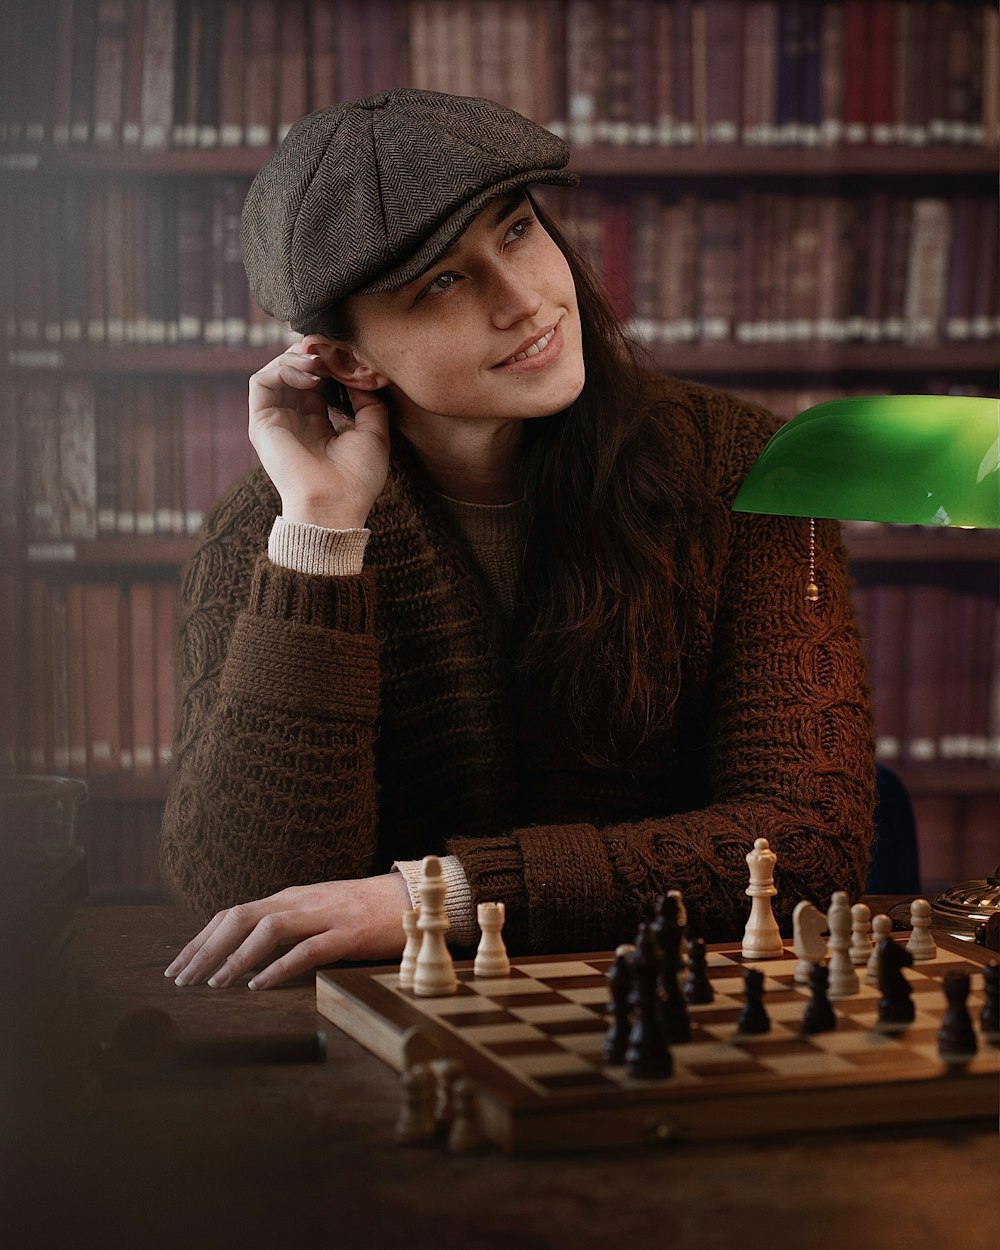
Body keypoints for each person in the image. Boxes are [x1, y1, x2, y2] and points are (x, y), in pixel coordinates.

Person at [161, 89, 874, 991]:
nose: (525, 300)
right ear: (348, 360)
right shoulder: (266, 537)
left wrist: (441, 896)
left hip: (690, 1018)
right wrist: (323, 537)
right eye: (443, 283)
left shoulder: (748, 471)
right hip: (390, 1044)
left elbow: (811, 839)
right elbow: (257, 902)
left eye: (516, 231)